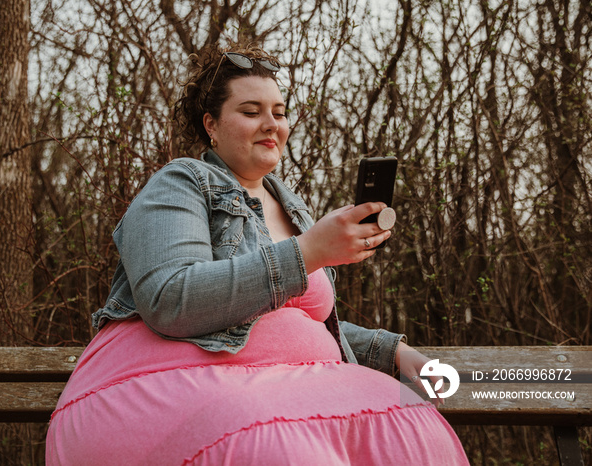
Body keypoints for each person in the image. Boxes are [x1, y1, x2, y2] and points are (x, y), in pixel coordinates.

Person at [46, 44, 468, 465]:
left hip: (294, 391)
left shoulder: (293, 207)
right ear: (211, 124)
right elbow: (170, 300)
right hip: (173, 389)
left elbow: (291, 320)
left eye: (280, 113)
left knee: (412, 431)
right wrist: (308, 251)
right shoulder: (182, 181)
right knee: (279, 450)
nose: (272, 125)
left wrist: (394, 352)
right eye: (251, 112)